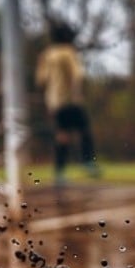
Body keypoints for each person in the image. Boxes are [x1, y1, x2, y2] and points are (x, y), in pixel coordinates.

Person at [36, 21, 100, 186]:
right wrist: (77, 93)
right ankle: (88, 162)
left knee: (62, 135)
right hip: (70, 99)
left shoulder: (47, 54)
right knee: (84, 129)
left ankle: (59, 173)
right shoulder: (68, 52)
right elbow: (77, 75)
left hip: (54, 102)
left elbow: (41, 80)